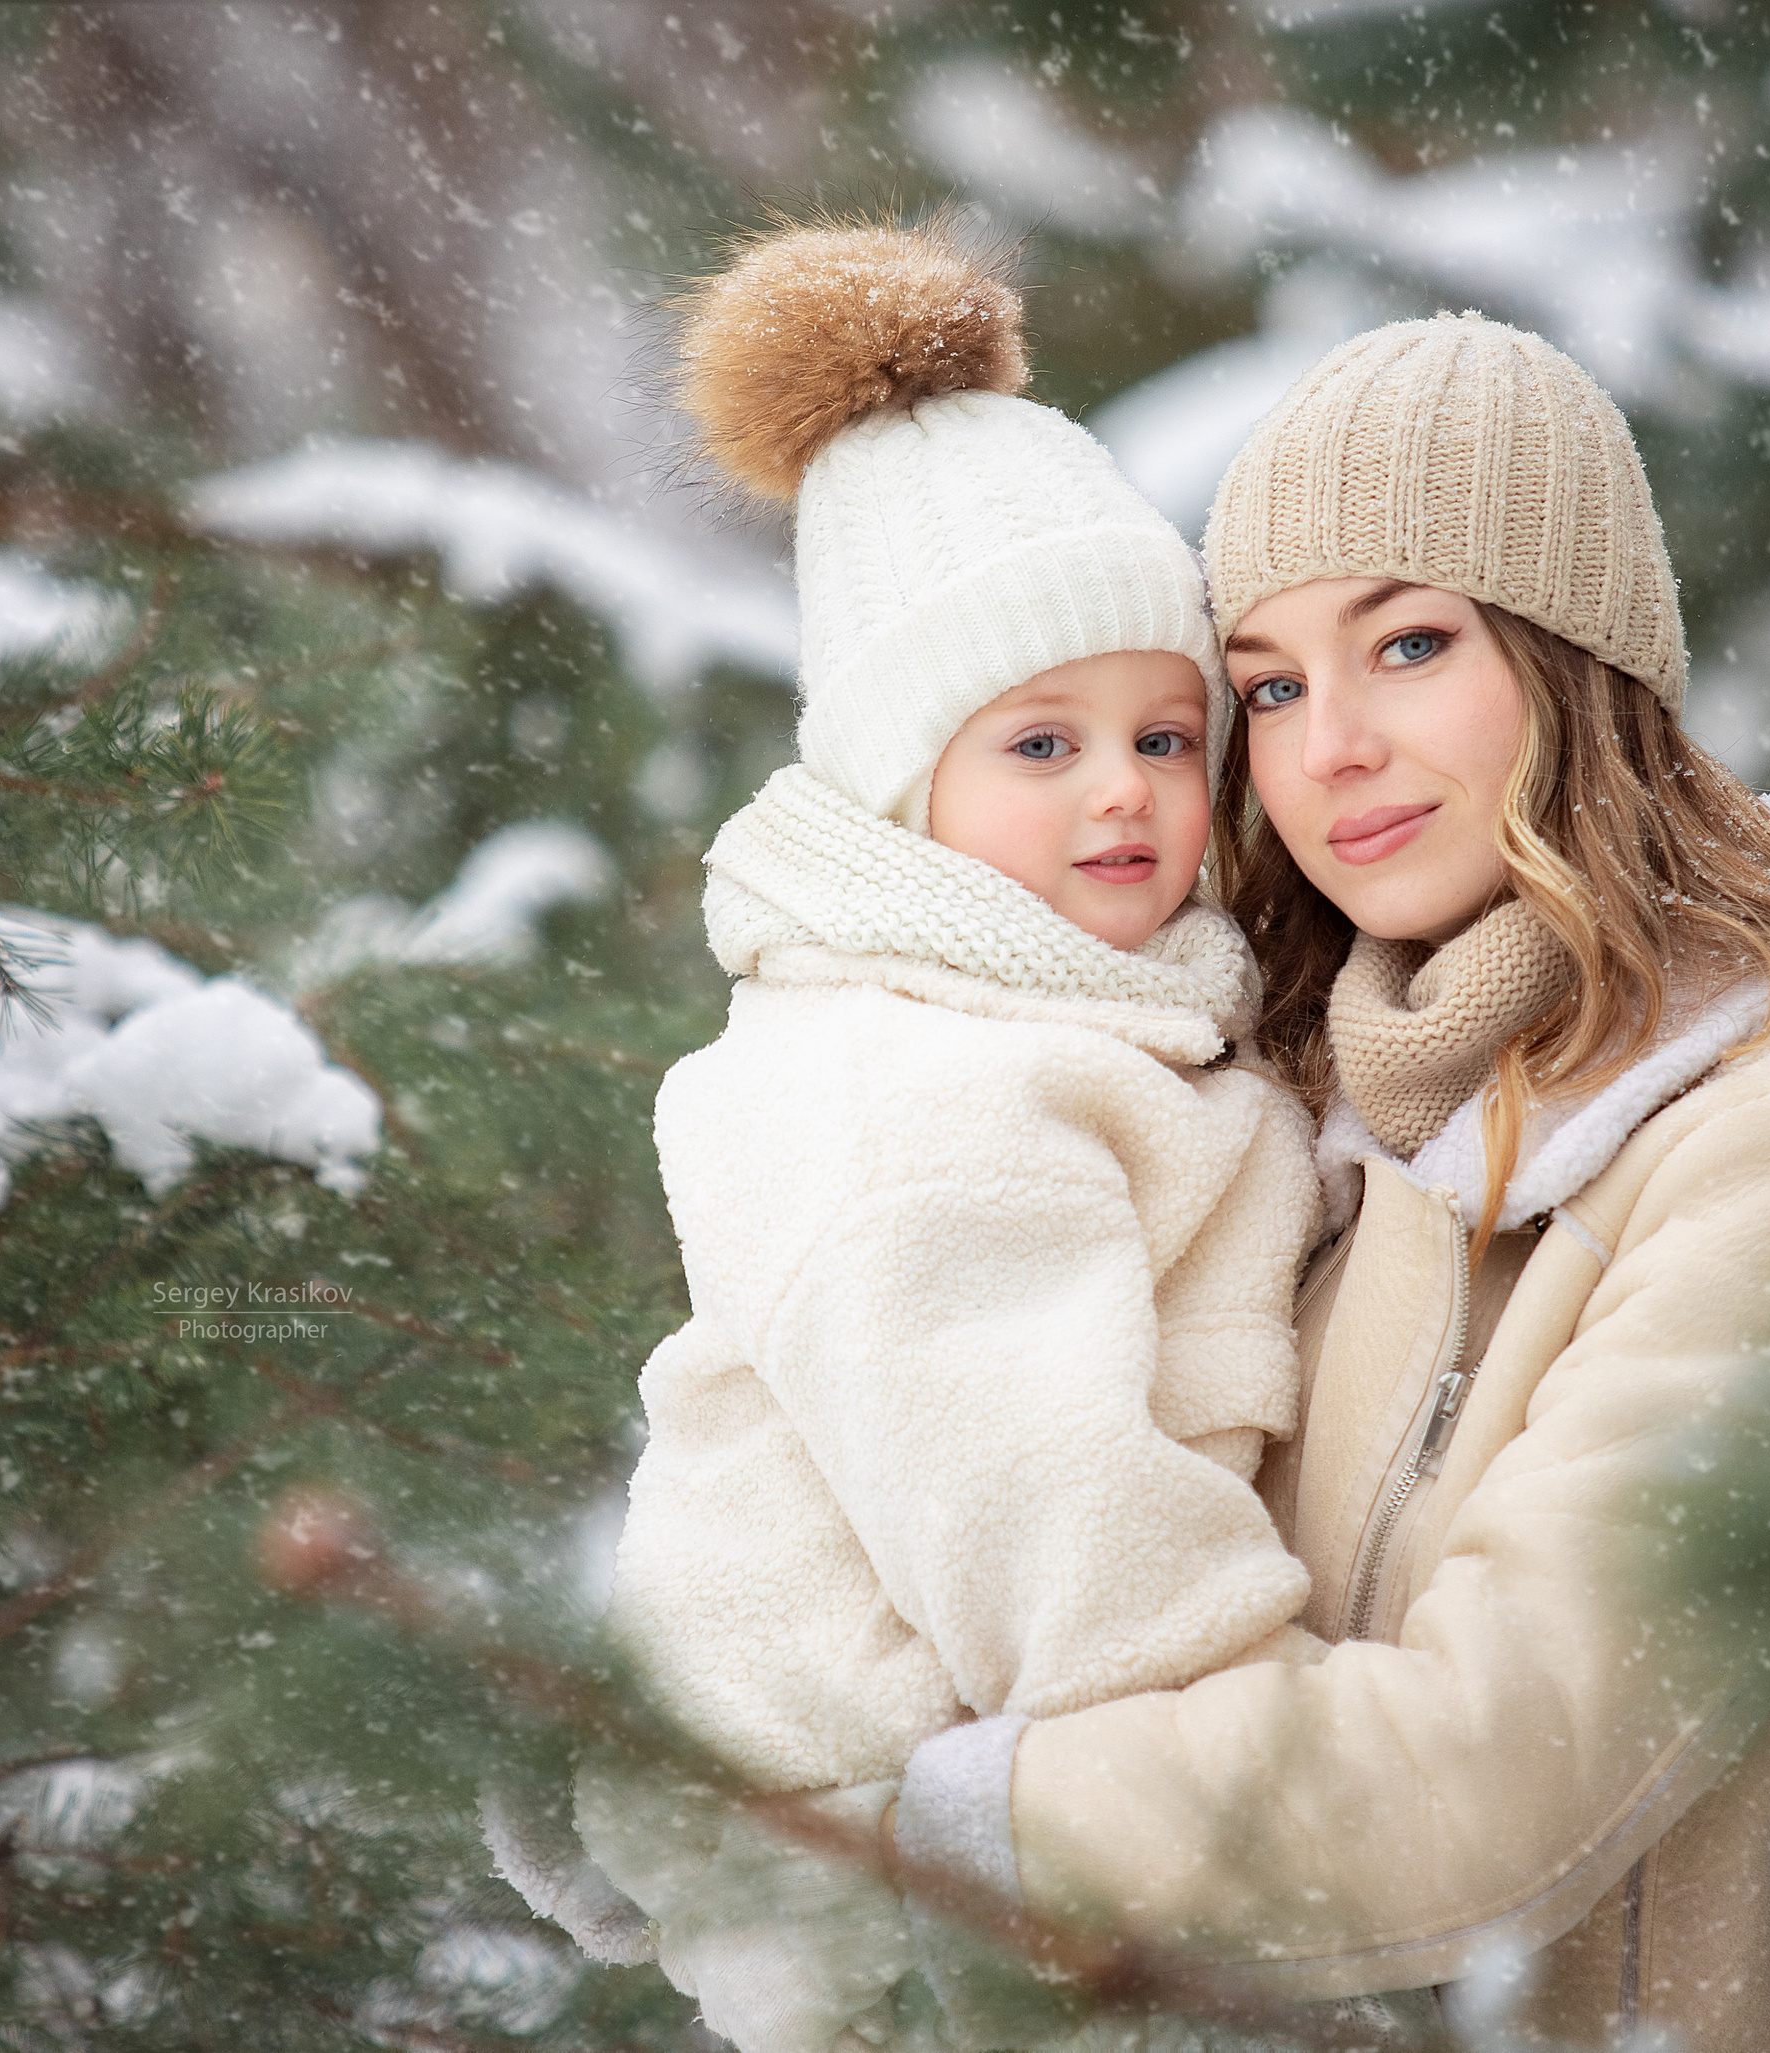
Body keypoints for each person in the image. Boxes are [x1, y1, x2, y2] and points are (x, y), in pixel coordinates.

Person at [863, 313, 1770, 2053]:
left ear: (1576, 660)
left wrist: (932, 1833)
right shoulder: (1288, 1122)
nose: (1330, 746)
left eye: (1411, 643)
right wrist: (731, 1720)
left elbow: (1490, 1781)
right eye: (1273, 684)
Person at [537, 221, 1331, 2053]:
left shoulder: (1093, 1009)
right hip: (874, 1822)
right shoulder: (915, 1086)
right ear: (908, 789)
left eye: (1163, 731)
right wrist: (1258, 1753)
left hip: (984, 1792)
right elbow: (1025, 1474)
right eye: (1039, 745)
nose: (1127, 787)